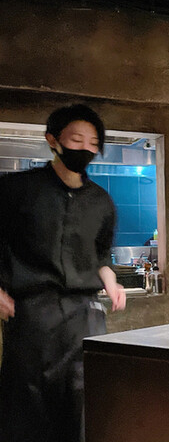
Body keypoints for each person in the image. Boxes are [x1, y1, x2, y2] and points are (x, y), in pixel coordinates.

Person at [0, 104, 126, 442]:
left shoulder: (101, 201)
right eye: (75, 139)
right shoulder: (16, 189)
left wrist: (111, 281)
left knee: (83, 404)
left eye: (93, 142)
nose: (85, 148)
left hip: (85, 315)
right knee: (27, 406)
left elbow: (101, 255)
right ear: (52, 140)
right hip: (32, 313)